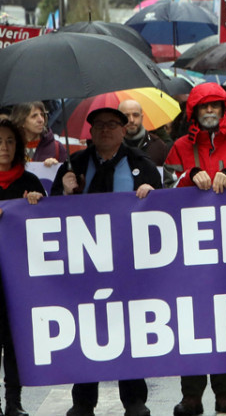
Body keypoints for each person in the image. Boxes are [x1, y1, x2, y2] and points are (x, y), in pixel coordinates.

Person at [50, 108, 160, 416]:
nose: (105, 130)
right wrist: (65, 192)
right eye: (98, 125)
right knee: (87, 331)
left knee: (129, 331)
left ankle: (135, 400)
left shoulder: (141, 164)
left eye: (112, 125)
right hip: (85, 267)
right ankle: (83, 401)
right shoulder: (75, 165)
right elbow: (50, 215)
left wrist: (152, 194)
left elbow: (164, 210)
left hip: (129, 266)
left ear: (124, 130)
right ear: (90, 132)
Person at [164, 83, 226, 415]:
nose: (209, 112)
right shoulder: (178, 147)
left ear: (224, 111)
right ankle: (191, 394)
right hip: (189, 252)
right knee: (192, 322)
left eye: (215, 107)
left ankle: (225, 393)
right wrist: (189, 176)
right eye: (203, 107)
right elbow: (166, 190)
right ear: (193, 112)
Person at [0, 119, 45, 416]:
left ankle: (13, 402)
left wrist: (38, 204)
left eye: (9, 141)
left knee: (14, 341)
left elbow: (50, 227)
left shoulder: (30, 182)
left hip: (17, 279)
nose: (4, 148)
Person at [10, 101, 67, 166]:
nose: (40, 120)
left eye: (42, 115)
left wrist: (56, 166)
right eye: (34, 116)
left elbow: (69, 173)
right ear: (21, 121)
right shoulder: (9, 147)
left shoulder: (57, 147)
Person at [118, 99, 168, 166]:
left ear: (142, 117)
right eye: (126, 116)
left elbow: (167, 174)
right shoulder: (110, 146)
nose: (131, 120)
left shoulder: (158, 146)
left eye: (135, 115)